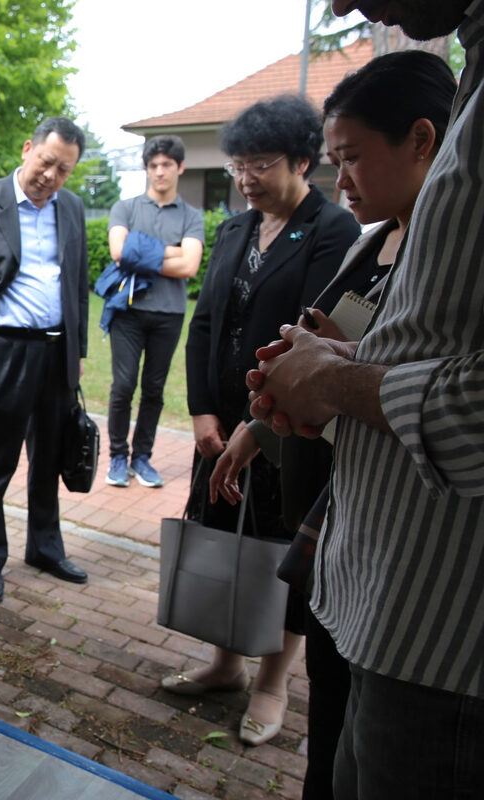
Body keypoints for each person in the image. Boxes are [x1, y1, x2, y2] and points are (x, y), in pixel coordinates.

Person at [246, 1, 484, 796]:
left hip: (437, 643)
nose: (345, 6)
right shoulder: (369, 237)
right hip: (376, 596)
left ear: (423, 141)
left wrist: (337, 380)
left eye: (350, 157)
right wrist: (323, 370)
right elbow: (426, 355)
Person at [164, 95, 360, 747]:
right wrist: (200, 412)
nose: (246, 177)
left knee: (282, 551)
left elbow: (313, 337)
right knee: (225, 538)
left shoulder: (331, 231)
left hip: (286, 430)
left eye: (261, 164)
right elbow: (206, 325)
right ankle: (225, 663)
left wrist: (258, 419)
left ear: (303, 160)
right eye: (238, 164)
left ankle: (273, 683)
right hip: (221, 426)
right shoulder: (235, 229)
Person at [0, 117, 91, 605]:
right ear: (28, 149)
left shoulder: (70, 207)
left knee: (49, 457)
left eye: (63, 169)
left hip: (56, 351)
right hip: (4, 349)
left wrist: (78, 351)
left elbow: (77, 284)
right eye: (46, 161)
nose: (51, 175)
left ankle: (46, 548)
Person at [104, 134, 204, 488]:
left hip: (169, 313)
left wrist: (141, 251)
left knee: (154, 389)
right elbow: (120, 253)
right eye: (153, 165)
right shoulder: (125, 208)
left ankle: (141, 458)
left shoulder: (192, 216)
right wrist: (172, 251)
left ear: (180, 168)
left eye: (166, 165)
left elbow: (190, 266)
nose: (159, 172)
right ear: (147, 169)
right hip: (128, 311)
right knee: (123, 385)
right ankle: (117, 455)